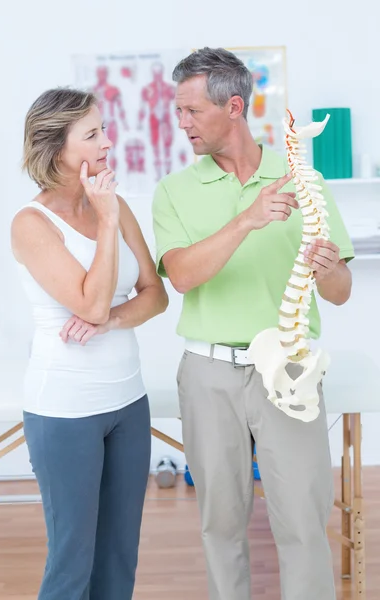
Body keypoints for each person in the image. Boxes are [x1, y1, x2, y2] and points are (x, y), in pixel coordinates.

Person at [152, 47, 354, 600]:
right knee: (220, 523)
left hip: (289, 370)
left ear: (234, 106)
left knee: (302, 524)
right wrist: (247, 218)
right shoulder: (174, 192)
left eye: (192, 110)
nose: (182, 122)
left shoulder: (302, 179)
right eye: (179, 110)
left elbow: (339, 293)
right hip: (208, 373)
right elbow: (183, 277)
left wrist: (330, 267)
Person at [11, 87, 168, 600]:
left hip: (128, 402)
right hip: (65, 411)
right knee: (72, 562)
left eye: (104, 129)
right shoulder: (32, 225)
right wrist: (103, 222)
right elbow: (91, 304)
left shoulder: (116, 204)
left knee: (119, 558)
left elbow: (155, 295)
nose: (107, 141)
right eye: (93, 133)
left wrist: (113, 321)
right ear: (58, 148)